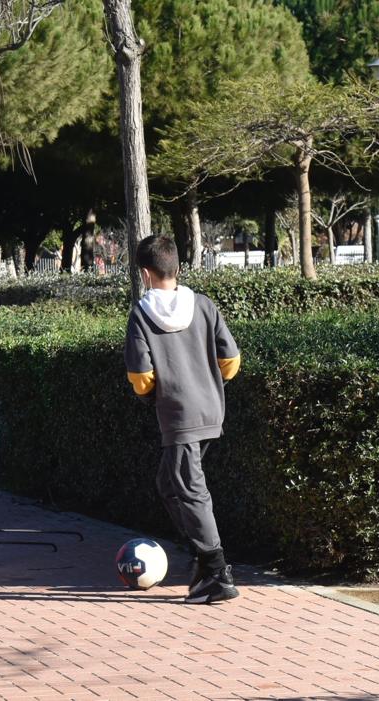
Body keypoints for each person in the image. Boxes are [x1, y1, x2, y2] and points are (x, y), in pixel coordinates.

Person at [124, 235, 242, 605]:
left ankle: (216, 570)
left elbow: (141, 377)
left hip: (177, 414)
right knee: (169, 482)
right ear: (176, 267)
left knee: (189, 488)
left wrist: (155, 394)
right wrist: (207, 384)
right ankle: (202, 556)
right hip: (210, 407)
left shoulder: (141, 314)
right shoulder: (204, 305)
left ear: (145, 273)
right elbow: (231, 361)